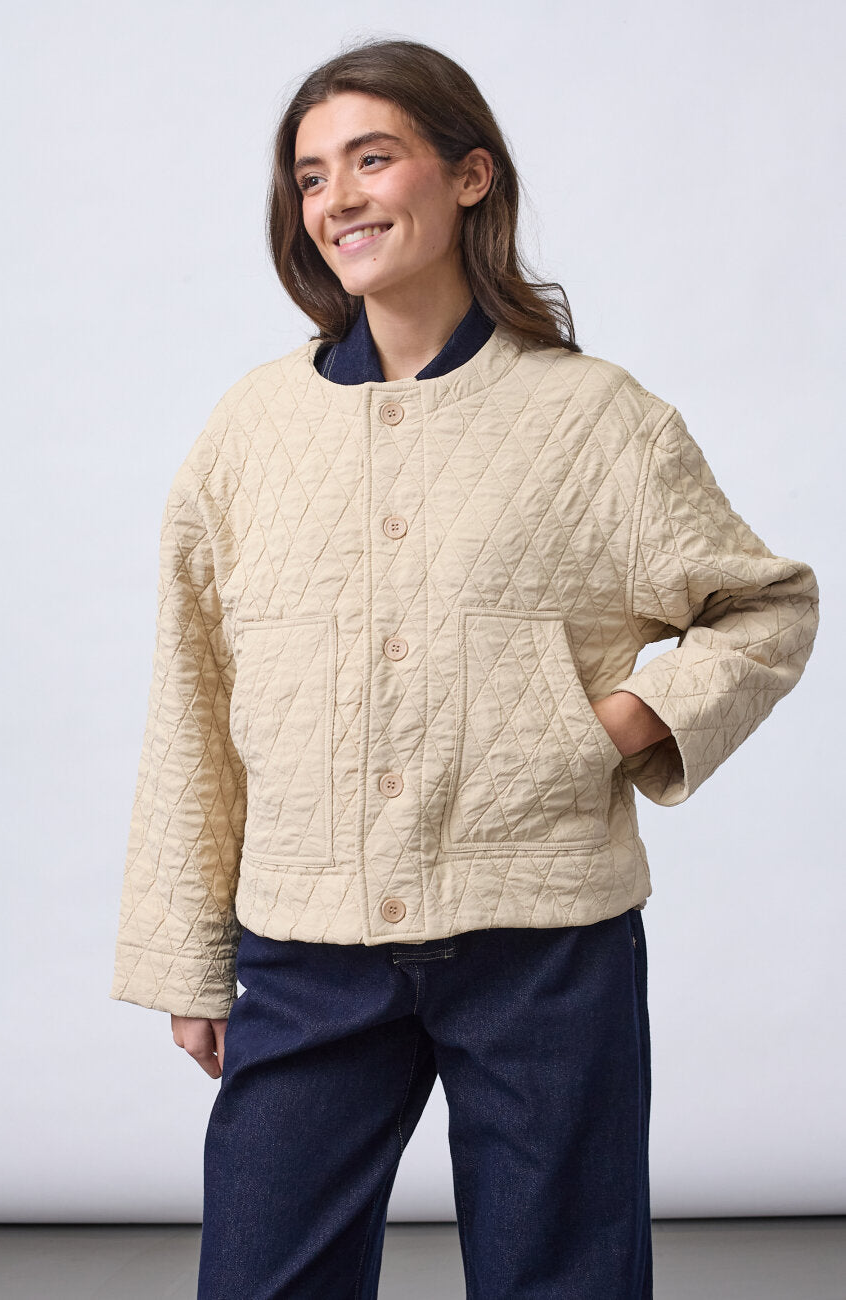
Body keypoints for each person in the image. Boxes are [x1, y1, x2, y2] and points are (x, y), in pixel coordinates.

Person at [110, 37, 819, 1300]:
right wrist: (185, 956)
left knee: (565, 1281)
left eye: (372, 159)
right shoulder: (249, 432)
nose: (337, 199)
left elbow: (767, 606)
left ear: (470, 175)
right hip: (307, 941)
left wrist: (615, 723)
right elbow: (195, 698)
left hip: (544, 939)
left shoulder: (597, 419)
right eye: (311, 176)